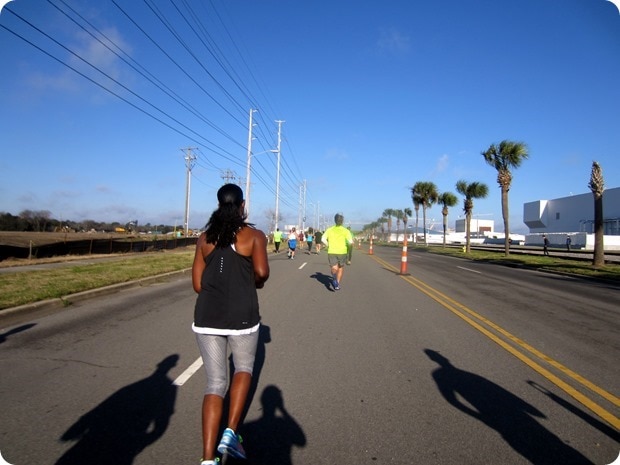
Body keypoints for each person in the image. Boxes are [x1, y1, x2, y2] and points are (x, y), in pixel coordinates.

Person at [192, 184, 270, 465]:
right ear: (242, 205)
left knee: (214, 383)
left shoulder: (204, 239)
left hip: (206, 317)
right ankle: (231, 432)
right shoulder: (254, 236)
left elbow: (198, 285)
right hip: (242, 316)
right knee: (244, 368)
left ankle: (207, 459)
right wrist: (252, 282)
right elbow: (261, 272)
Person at [322, 213, 353, 291]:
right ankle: (337, 284)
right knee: (340, 268)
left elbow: (323, 239)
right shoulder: (346, 231)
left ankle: (334, 277)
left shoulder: (329, 230)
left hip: (332, 251)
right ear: (342, 221)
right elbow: (350, 242)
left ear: (335, 220)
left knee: (334, 267)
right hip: (342, 252)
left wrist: (328, 244)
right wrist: (349, 255)